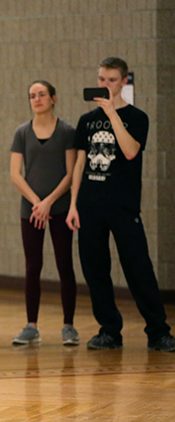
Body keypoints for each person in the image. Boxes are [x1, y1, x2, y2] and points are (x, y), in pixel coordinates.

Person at [66, 57, 175, 352]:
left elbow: (129, 151)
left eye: (111, 80)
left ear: (124, 82)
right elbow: (79, 164)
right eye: (101, 79)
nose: (105, 85)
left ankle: (158, 331)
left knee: (138, 268)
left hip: (124, 206)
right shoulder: (86, 121)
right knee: (95, 270)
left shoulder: (138, 117)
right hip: (89, 205)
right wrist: (73, 204)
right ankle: (109, 331)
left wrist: (113, 113)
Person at [9, 80, 78, 346]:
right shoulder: (22, 132)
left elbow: (71, 173)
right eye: (32, 96)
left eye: (41, 95)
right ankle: (31, 326)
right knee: (32, 266)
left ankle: (69, 326)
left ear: (53, 98)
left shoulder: (67, 131)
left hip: (59, 207)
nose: (36, 99)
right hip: (31, 210)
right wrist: (37, 202)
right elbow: (15, 174)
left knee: (64, 265)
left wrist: (48, 202)